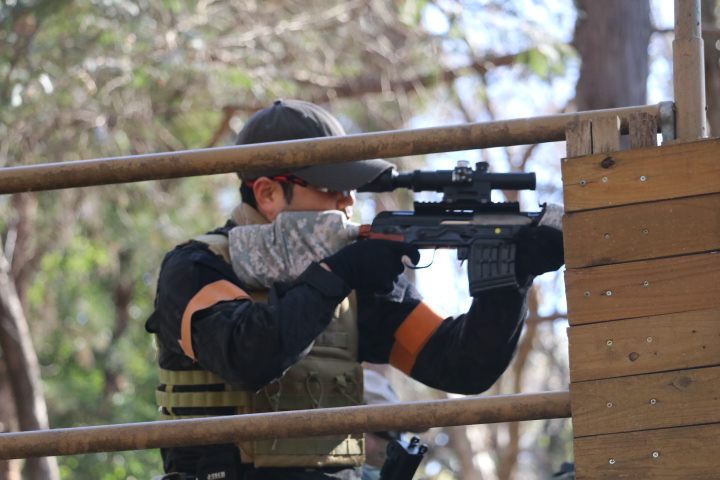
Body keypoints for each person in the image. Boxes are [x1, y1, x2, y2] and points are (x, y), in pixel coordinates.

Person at [145, 99, 565, 480]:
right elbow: (249, 356)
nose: (348, 202)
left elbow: (460, 365)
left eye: (351, 188)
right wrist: (337, 274)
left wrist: (509, 280)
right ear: (268, 194)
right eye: (331, 187)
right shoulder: (198, 267)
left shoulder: (351, 275)